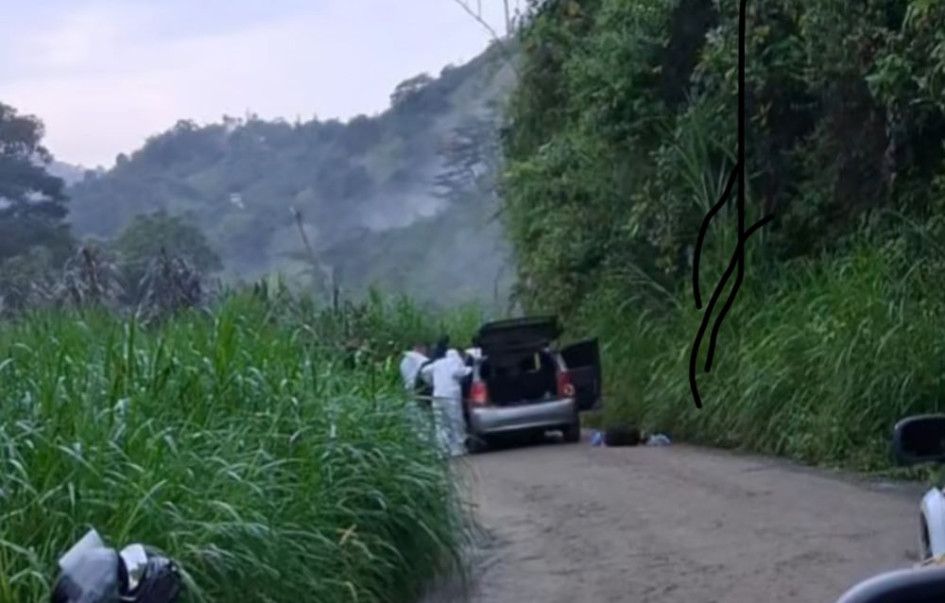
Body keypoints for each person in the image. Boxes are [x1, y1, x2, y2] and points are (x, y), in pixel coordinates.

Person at [421, 348, 472, 457]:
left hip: (437, 395)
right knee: (455, 420)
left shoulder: (438, 363)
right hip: (451, 396)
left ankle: (442, 449)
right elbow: (457, 372)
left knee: (440, 423)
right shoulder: (455, 361)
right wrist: (468, 369)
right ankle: (458, 448)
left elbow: (424, 371)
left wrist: (430, 381)